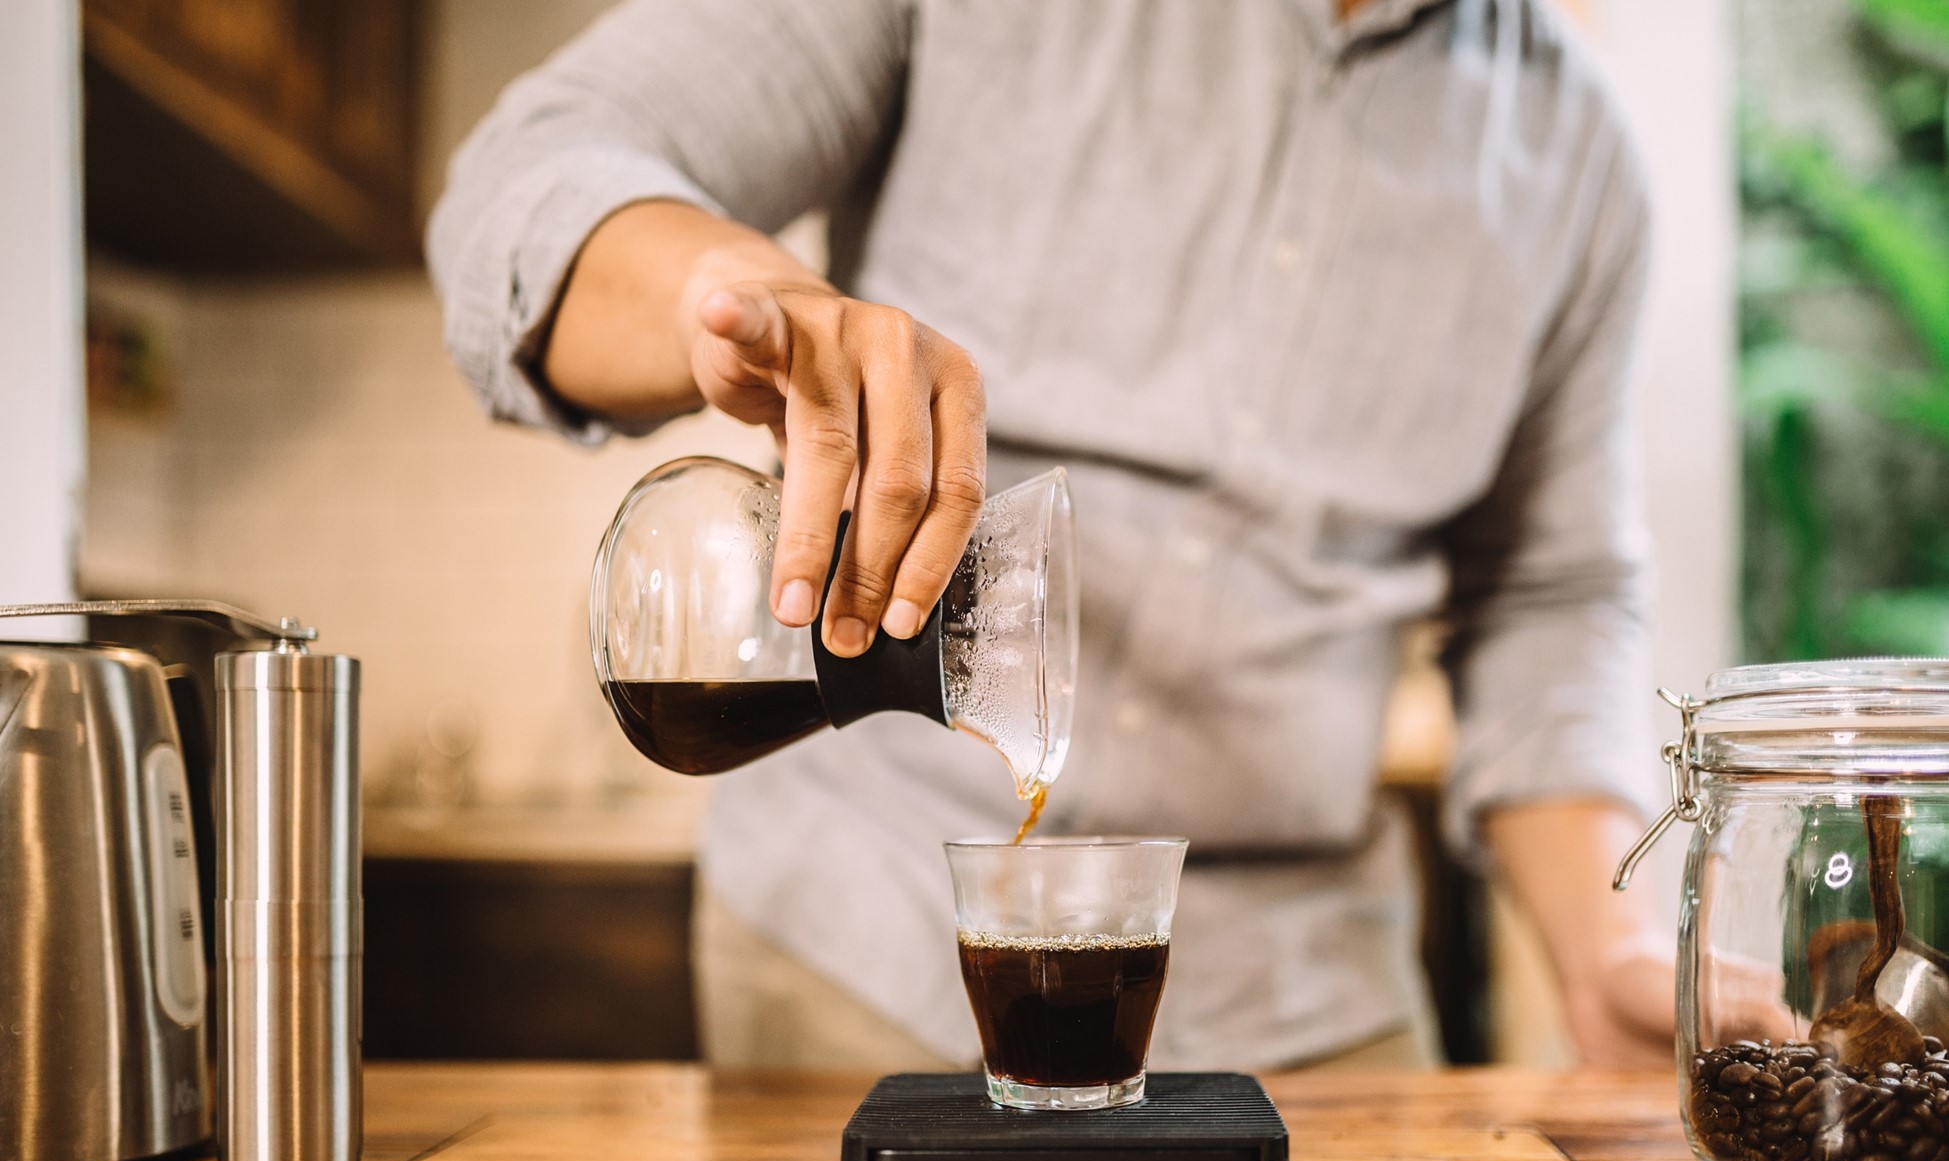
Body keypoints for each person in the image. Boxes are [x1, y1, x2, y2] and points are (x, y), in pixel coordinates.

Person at [428, 0, 1676, 1072]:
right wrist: (760, 301)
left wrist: (1602, 944)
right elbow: (521, 184)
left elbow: (1548, 598)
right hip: (865, 955)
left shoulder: (1578, 161)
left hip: (1305, 1007)